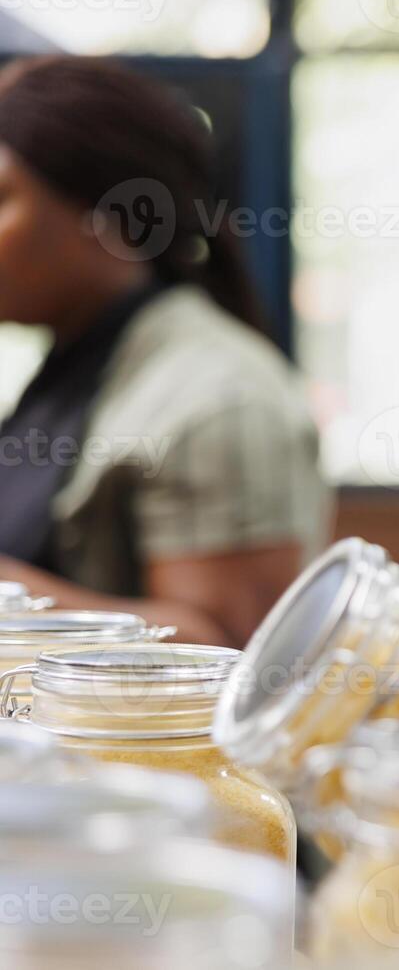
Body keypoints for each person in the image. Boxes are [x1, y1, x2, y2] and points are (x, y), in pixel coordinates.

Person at [0, 56, 332, 648]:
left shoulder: (220, 400)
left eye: (2, 196)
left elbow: (237, 655)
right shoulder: (78, 362)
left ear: (118, 218)